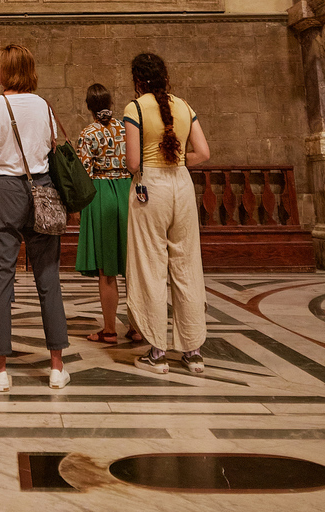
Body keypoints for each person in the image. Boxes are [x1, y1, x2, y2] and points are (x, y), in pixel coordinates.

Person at [0, 44, 70, 392]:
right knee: (48, 277)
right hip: (43, 190)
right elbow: (51, 148)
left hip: (5, 190)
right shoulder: (44, 106)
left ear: (6, 71)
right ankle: (57, 367)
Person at [123, 53, 210, 375]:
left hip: (151, 188)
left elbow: (133, 163)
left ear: (138, 79)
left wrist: (154, 164)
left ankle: (157, 352)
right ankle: (193, 351)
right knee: (187, 267)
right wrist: (176, 161)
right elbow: (203, 152)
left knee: (151, 267)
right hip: (182, 186)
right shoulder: (184, 106)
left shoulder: (135, 108)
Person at [75, 84, 142, 345]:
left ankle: (110, 330)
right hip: (128, 191)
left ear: (89, 106)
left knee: (107, 269)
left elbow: (84, 173)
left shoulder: (88, 133)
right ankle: (137, 327)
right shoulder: (125, 129)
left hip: (100, 193)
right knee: (132, 265)